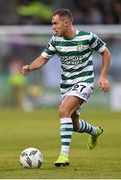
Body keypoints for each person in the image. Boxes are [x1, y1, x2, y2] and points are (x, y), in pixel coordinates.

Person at [21, 9, 111, 167]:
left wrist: (103, 76)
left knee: (63, 111)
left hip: (85, 82)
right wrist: (30, 67)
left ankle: (64, 156)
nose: (53, 27)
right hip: (66, 85)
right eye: (52, 24)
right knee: (74, 125)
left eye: (55, 23)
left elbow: (105, 53)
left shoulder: (87, 37)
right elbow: (43, 59)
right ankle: (95, 131)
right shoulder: (55, 40)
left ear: (66, 23)